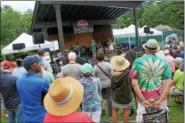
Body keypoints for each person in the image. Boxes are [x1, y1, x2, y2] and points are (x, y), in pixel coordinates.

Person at [130, 39, 173, 122]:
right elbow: (168, 83)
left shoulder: (137, 62)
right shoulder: (164, 61)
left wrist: (143, 100)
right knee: (160, 119)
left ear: (145, 49)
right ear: (156, 50)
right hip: (160, 98)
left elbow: (134, 84)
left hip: (144, 99)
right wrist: (160, 100)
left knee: (144, 119)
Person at [16, 56, 50, 122]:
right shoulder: (42, 82)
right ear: (33, 66)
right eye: (38, 63)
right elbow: (52, 97)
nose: (40, 65)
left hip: (26, 118)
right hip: (41, 118)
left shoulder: (19, 80)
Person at [110, 56, 132, 123]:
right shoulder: (129, 73)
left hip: (116, 96)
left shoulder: (113, 75)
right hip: (127, 95)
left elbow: (112, 86)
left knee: (115, 110)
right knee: (126, 110)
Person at [93, 52, 113, 116]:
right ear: (104, 57)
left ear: (97, 59)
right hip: (108, 83)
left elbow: (94, 76)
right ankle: (111, 112)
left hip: (100, 84)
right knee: (109, 98)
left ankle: (102, 112)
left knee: (101, 98)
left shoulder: (95, 67)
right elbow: (112, 73)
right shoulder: (108, 64)